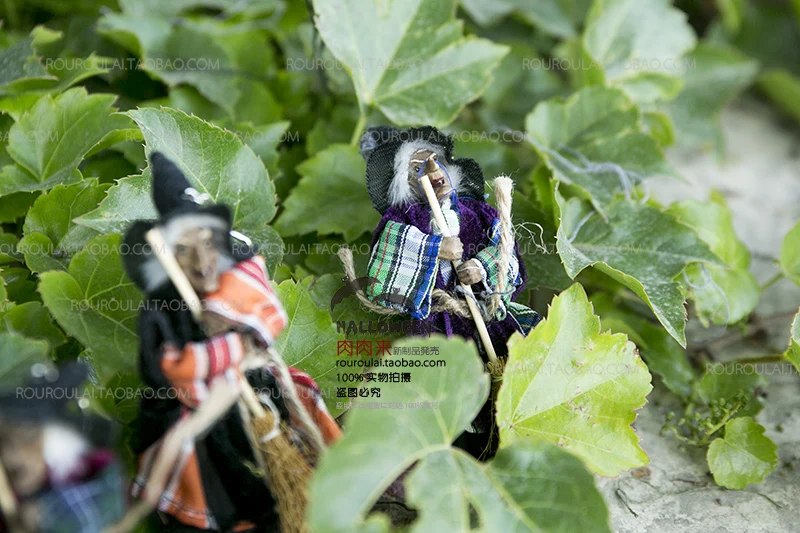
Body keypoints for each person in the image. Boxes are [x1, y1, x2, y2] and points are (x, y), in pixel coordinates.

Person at [121, 153, 340, 532]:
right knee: (218, 483)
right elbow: (167, 368)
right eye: (184, 250)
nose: (201, 261)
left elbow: (264, 314)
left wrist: (232, 328)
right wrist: (220, 353)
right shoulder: (162, 311)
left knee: (278, 441)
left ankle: (297, 504)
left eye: (207, 243)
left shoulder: (235, 278)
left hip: (252, 395)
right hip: (199, 413)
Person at [0, 363, 125, 533]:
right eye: (3, 442)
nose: (12, 454)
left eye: (28, 437)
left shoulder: (93, 477)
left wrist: (41, 515)